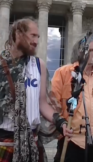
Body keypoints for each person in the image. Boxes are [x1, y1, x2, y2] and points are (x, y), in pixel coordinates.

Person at [0, 17, 72, 162]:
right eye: (33, 35)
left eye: (38, 36)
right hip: (5, 142)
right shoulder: (1, 65)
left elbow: (42, 103)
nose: (37, 40)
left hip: (32, 142)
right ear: (19, 34)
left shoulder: (39, 65)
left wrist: (61, 122)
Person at [51, 35, 93, 162]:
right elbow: (53, 104)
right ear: (81, 52)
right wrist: (61, 127)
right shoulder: (63, 73)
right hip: (72, 141)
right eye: (92, 50)